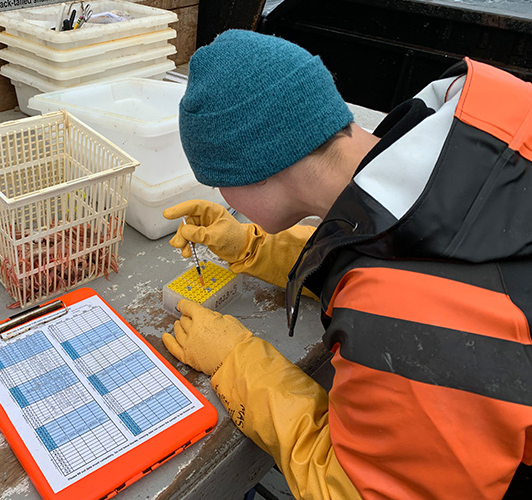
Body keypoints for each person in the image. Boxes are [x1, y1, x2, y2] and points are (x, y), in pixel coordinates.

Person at [160, 29, 532, 500]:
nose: (222, 197)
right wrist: (254, 247)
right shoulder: (473, 138)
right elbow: (393, 238)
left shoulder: (408, 315)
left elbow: (362, 493)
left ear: (255, 170)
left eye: (219, 182)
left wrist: (239, 363)